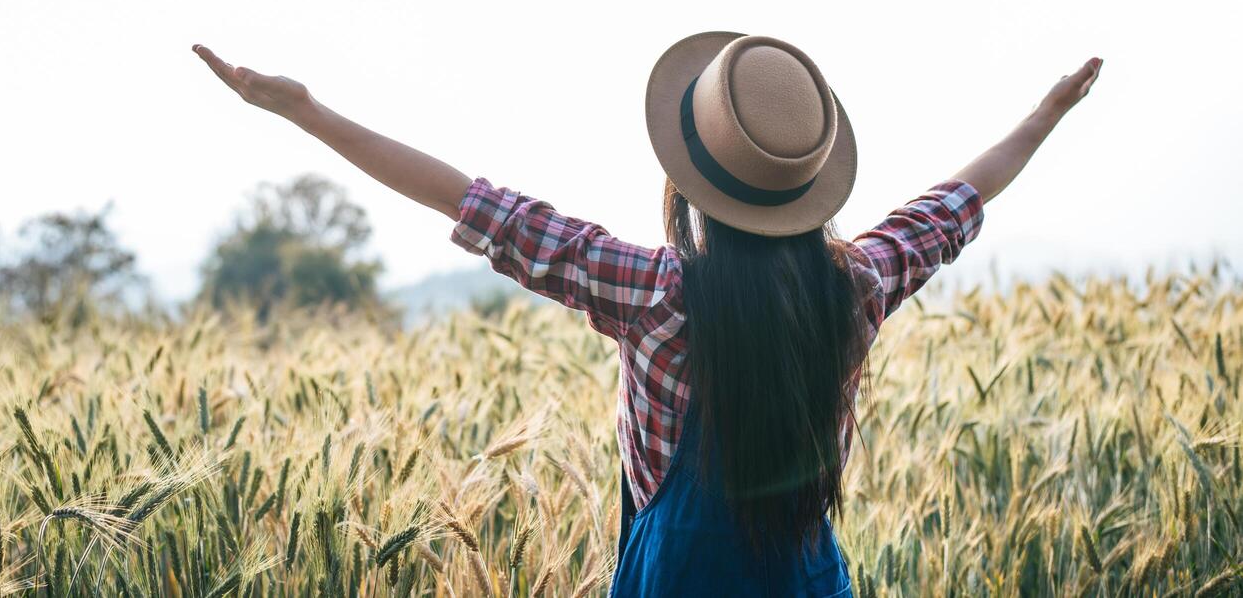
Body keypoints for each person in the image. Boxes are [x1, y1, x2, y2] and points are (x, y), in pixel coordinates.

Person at [193, 33, 1102, 597]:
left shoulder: (653, 291)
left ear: (693, 184)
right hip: (808, 579)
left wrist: (306, 112)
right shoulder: (856, 284)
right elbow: (953, 206)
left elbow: (475, 204)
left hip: (677, 580)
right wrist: (1045, 115)